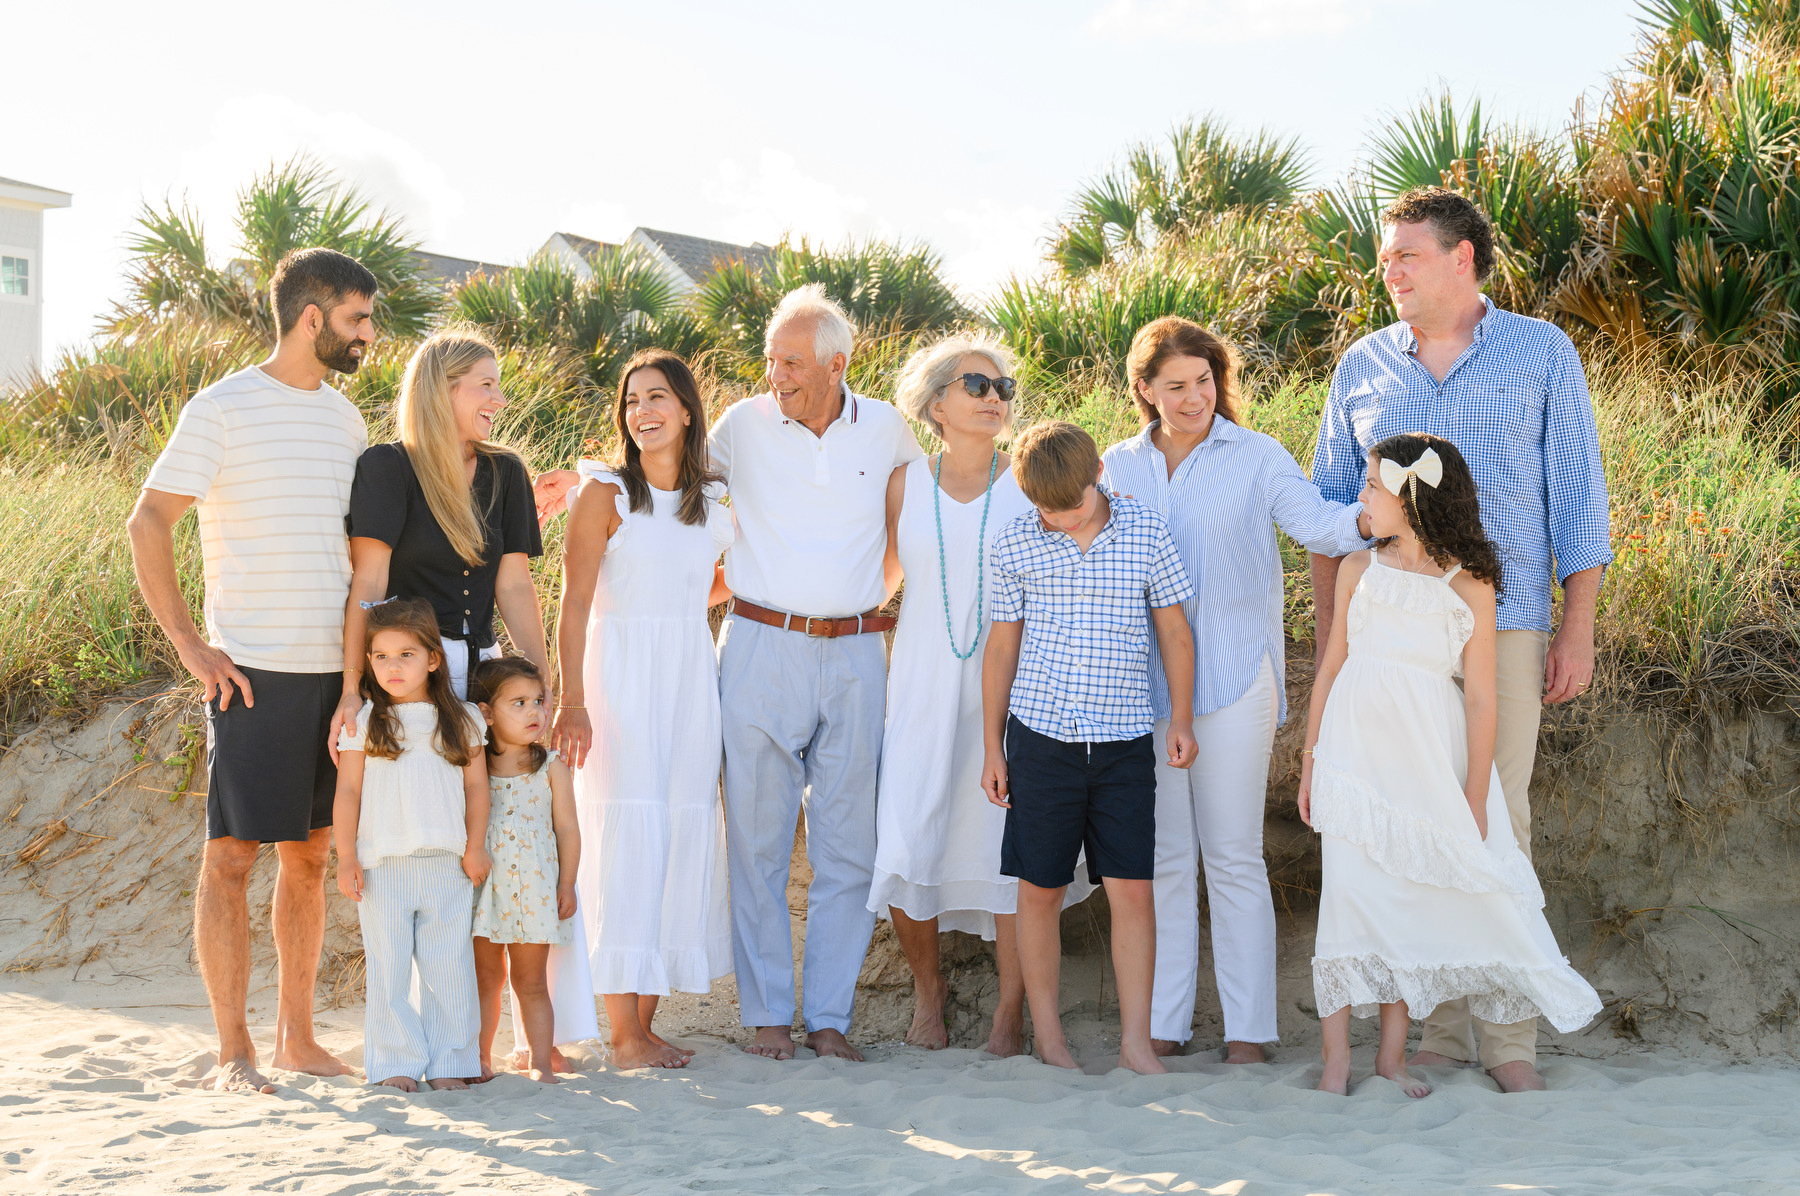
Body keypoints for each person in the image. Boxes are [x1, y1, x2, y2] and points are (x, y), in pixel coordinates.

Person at [1309, 186, 1611, 1092]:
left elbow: (1579, 496)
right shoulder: (1362, 365)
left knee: (1491, 818)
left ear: (1461, 258)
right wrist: (1336, 631)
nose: (1387, 270)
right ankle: (1432, 1025)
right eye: (1385, 256)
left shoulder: (1540, 352)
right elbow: (1335, 514)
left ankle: (1509, 1041)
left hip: (1501, 627)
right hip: (1386, 641)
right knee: (1406, 819)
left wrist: (1578, 627)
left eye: (1405, 255)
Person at [127, 247, 377, 1094]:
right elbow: (149, 521)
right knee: (232, 856)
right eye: (357, 318)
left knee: (307, 858)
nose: (366, 335)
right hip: (252, 674)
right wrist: (193, 647)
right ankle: (234, 1050)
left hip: (330, 673)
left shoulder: (348, 422)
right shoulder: (222, 407)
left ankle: (295, 1038)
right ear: (313, 318)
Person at [1101, 318, 1371, 1062]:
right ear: (1145, 391)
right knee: (1164, 858)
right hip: (1138, 682)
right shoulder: (1114, 467)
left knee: (1232, 854)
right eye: (1177, 386)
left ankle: (1250, 1031)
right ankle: (1167, 1022)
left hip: (1234, 672)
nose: (1196, 398)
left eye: (1206, 381)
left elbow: (1317, 522)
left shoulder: (1256, 456)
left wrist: (1382, 514)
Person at [1298, 433, 1601, 1097]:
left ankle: (1392, 1060)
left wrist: (1473, 793)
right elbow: (1330, 670)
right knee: (1348, 895)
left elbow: (1484, 697)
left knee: (1406, 897)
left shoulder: (1471, 584)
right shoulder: (1357, 570)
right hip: (1353, 755)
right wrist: (1311, 760)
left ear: (1411, 498)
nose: (1361, 498)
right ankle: (1336, 1063)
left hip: (1423, 756)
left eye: (1373, 486)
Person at [335, 327, 597, 1066]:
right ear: (442, 388)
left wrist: (543, 679)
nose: (497, 397)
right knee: (414, 839)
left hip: (479, 676)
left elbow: (514, 583)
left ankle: (466, 1043)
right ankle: (408, 1038)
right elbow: (370, 586)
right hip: (406, 677)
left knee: (477, 848)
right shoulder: (387, 469)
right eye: (484, 382)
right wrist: (353, 689)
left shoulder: (506, 473)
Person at [709, 285, 925, 1061]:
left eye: (793, 362)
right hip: (761, 645)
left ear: (840, 363)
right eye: (771, 361)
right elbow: (672, 493)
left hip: (859, 653)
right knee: (757, 843)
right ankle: (769, 1016)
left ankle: (829, 1018)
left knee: (848, 847)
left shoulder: (889, 431)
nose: (777, 376)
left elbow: (917, 523)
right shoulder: (741, 426)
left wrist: (869, 597)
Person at [870, 335, 1093, 1055]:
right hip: (921, 682)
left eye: (1004, 387)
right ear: (936, 401)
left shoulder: (1025, 479)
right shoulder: (904, 483)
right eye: (977, 384)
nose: (996, 398)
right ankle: (928, 994)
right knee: (908, 835)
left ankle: (1009, 1013)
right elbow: (877, 582)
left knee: (1012, 848)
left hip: (1017, 682)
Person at [981, 420, 1198, 1074]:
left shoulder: (1145, 531)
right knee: (1039, 889)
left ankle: (1137, 1041)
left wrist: (1181, 718)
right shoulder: (1016, 541)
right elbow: (1001, 648)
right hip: (1040, 739)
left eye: (1071, 507)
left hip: (1123, 741)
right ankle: (1049, 1037)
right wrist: (993, 747)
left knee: (1132, 890)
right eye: (1047, 512)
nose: (1062, 521)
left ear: (1098, 472)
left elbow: (1175, 633)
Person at [552, 349, 735, 1070]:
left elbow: (708, 585)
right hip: (618, 677)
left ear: (687, 410)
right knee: (626, 835)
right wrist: (572, 699)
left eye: (657, 397)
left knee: (678, 831)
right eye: (631, 402)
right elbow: (571, 605)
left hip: (689, 677)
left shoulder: (713, 500)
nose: (642, 412)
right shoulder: (604, 493)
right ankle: (623, 1036)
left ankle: (648, 1024)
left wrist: (681, 608)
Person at [331, 598, 492, 1092]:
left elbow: (477, 788)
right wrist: (346, 857)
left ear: (433, 659)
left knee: (449, 967)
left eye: (405, 654)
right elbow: (350, 791)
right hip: (382, 865)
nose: (392, 667)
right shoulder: (364, 721)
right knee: (389, 968)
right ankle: (394, 1062)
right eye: (379, 656)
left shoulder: (462, 719)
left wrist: (475, 846)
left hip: (447, 861)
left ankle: (450, 1063)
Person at [469, 656, 579, 1084]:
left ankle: (539, 1062)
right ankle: (478, 1058)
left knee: (531, 982)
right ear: (486, 712)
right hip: (486, 890)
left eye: (538, 701)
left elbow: (568, 829)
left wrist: (566, 882)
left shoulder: (550, 766)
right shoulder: (474, 765)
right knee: (486, 978)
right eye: (518, 703)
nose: (534, 711)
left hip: (535, 890)